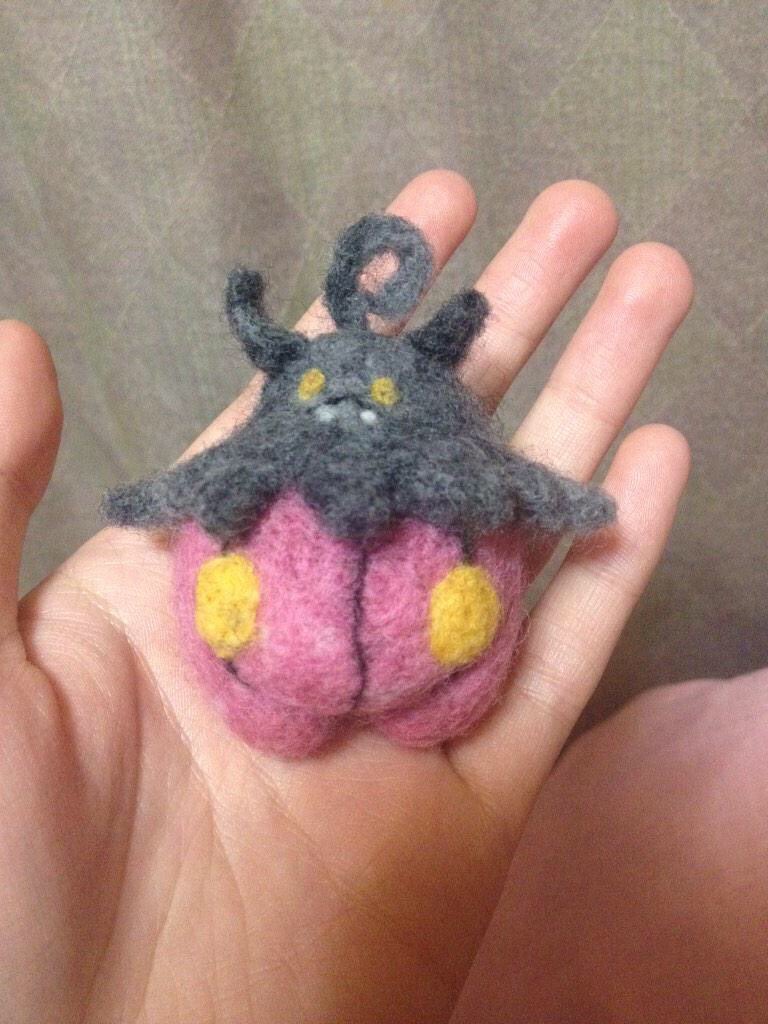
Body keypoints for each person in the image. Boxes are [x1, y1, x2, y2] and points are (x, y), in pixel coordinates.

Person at [2, 167, 747, 1023]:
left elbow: (533, 494)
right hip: (271, 670)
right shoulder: (258, 476)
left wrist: (565, 506)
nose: (351, 405)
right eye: (319, 393)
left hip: (435, 667)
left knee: (451, 658)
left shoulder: (454, 477)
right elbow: (172, 497)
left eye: (382, 395)